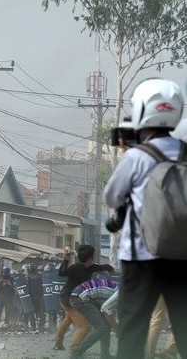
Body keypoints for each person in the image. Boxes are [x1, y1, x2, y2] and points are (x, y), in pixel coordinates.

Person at [104, 78, 187, 359]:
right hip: (182, 256)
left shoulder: (137, 156)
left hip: (140, 257)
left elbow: (112, 197)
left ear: (141, 111)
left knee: (134, 328)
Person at [56, 245, 113, 353]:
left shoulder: (93, 267)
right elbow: (61, 273)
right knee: (85, 326)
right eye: (94, 256)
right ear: (90, 258)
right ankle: (74, 350)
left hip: (72, 298)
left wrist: (109, 267)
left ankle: (58, 343)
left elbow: (104, 267)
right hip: (68, 299)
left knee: (68, 319)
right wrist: (65, 260)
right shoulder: (74, 268)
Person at [68, 272, 119, 359]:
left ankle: (105, 355)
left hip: (86, 298)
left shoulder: (118, 287)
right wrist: (118, 329)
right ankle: (76, 353)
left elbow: (109, 313)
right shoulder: (120, 292)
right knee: (101, 328)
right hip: (80, 299)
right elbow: (106, 310)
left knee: (106, 326)